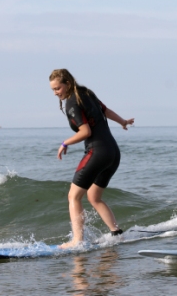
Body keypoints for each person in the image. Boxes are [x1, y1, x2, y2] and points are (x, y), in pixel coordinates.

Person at [49, 69, 134, 249]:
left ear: (68, 84)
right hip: (112, 152)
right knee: (94, 196)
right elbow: (106, 110)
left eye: (58, 88)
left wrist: (65, 143)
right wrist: (123, 122)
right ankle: (116, 233)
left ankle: (77, 240)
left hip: (97, 152)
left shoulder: (72, 103)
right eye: (53, 90)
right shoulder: (86, 93)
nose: (56, 93)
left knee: (73, 196)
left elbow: (85, 132)